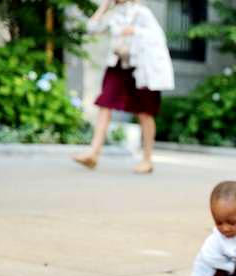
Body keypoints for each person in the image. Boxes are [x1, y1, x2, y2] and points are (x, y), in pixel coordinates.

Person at [73, 0, 174, 174]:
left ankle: (147, 159)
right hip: (118, 65)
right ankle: (93, 153)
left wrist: (135, 31)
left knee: (144, 113)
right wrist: (103, 7)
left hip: (141, 68)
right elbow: (91, 29)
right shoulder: (113, 13)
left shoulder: (142, 13)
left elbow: (157, 37)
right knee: (104, 105)